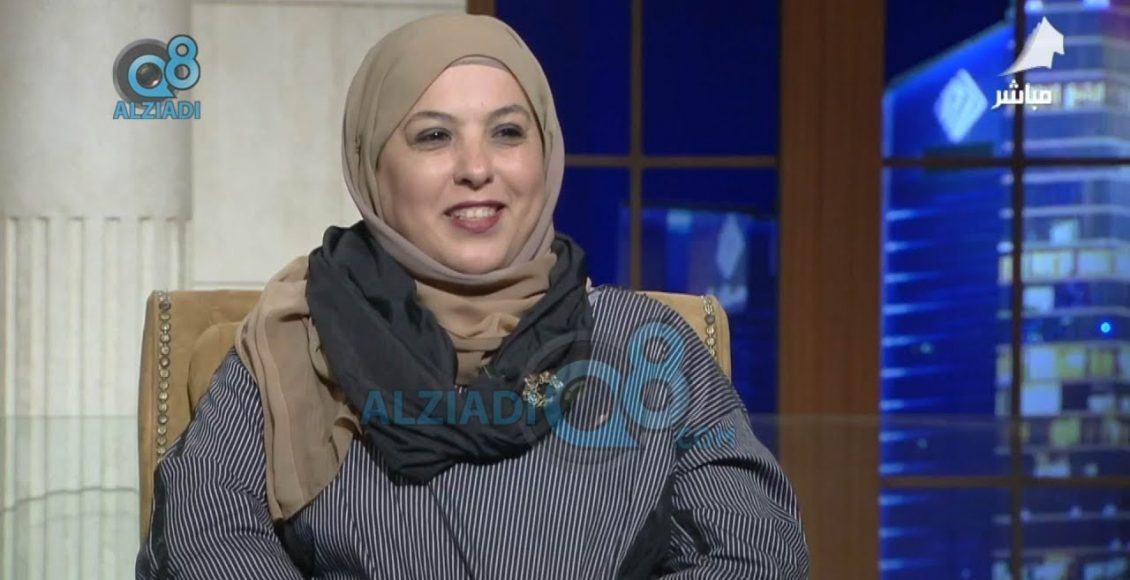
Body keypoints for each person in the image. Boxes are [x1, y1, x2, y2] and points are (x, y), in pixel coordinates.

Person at [136, 13, 809, 579]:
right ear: (372, 165)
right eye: (434, 136)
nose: (477, 168)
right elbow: (204, 536)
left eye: (507, 132)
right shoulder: (294, 338)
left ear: (545, 153)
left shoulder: (646, 346)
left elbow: (757, 552)